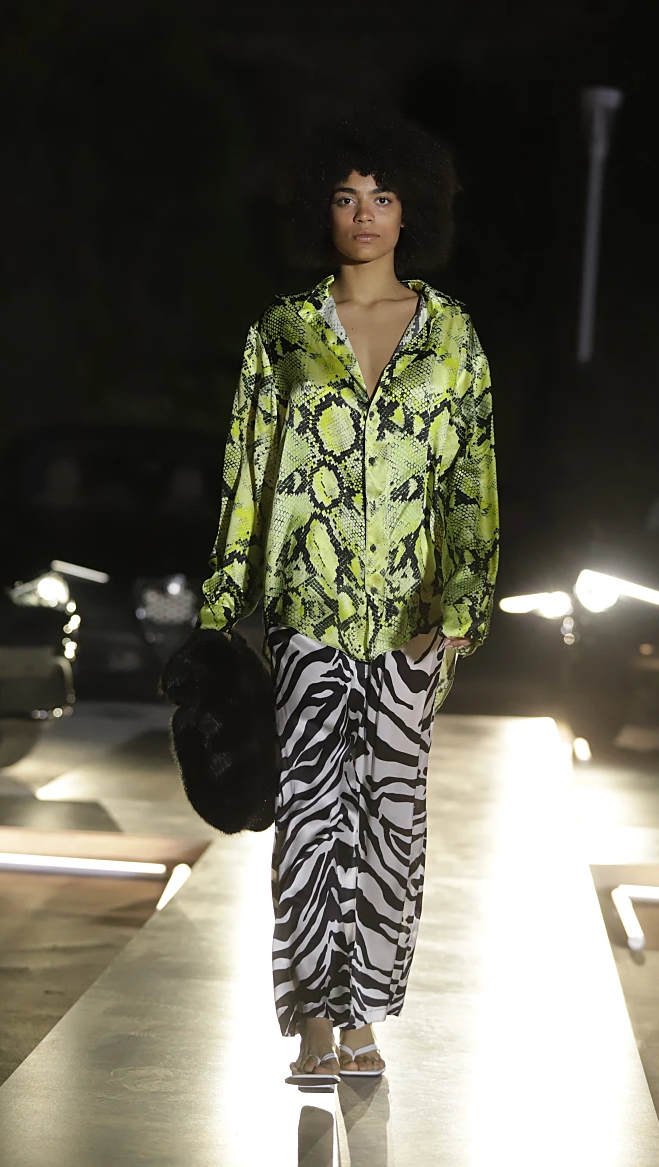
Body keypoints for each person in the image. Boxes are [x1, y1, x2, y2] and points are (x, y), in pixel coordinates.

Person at [196, 108, 500, 1082]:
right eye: (344, 195)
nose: (364, 214)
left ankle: (366, 1011)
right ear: (319, 210)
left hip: (413, 624)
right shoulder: (282, 334)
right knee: (309, 817)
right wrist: (219, 613)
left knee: (392, 823)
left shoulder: (450, 337)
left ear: (413, 210)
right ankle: (315, 1024)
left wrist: (463, 610)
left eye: (382, 195)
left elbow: (470, 481)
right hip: (307, 614)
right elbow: (246, 475)